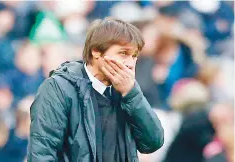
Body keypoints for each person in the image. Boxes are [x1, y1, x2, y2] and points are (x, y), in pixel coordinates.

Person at [27, 17, 164, 162]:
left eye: (134, 56)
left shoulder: (127, 92)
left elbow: (153, 142)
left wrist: (131, 94)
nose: (130, 63)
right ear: (96, 51)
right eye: (123, 53)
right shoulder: (58, 88)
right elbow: (42, 153)